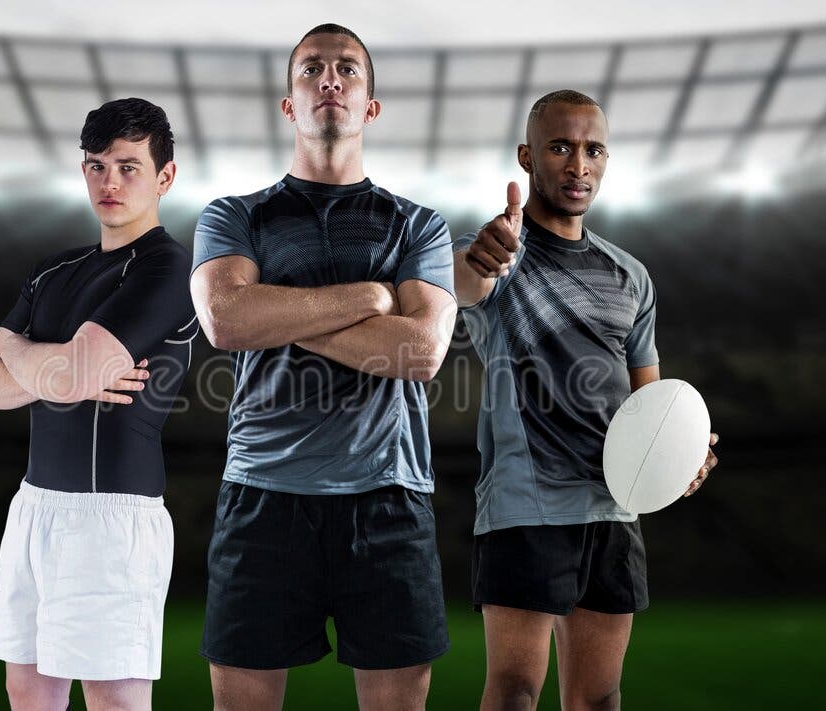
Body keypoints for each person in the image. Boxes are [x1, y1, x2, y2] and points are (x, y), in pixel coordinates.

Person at [189, 23, 458, 711]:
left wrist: (278, 314)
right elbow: (225, 321)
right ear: (289, 104)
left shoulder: (418, 225)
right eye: (311, 69)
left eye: (347, 70)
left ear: (370, 106)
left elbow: (420, 352)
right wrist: (370, 299)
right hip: (262, 493)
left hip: (389, 494)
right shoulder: (234, 216)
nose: (329, 79)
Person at [451, 89, 720, 711]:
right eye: (560, 147)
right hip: (527, 504)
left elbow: (647, 402)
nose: (578, 165)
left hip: (615, 509)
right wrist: (484, 258)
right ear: (527, 156)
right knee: (516, 692)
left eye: (593, 149)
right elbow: (462, 283)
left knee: (599, 699)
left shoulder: (630, 274)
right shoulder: (501, 252)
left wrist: (682, 459)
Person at [0, 97, 198, 711]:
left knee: (114, 700)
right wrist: (58, 368)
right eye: (97, 165)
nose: (110, 181)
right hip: (34, 504)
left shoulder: (170, 269)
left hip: (112, 515)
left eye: (129, 166)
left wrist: (27, 355)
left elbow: (67, 373)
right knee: (27, 688)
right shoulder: (54, 271)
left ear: (165, 177)